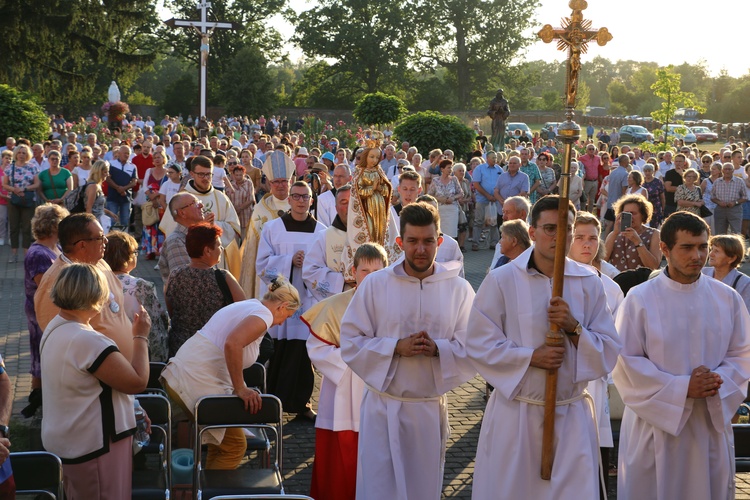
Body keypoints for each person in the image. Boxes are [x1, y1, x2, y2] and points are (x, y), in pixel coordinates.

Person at [467, 195, 620, 500]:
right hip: (518, 413)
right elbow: (478, 343)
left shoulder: (589, 282)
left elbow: (608, 351)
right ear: (532, 232)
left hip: (571, 412)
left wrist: (574, 328)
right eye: (550, 228)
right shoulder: (502, 280)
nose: (558, 236)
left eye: (566, 228)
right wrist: (530, 357)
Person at [340, 202, 477, 499]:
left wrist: (440, 349)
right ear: (400, 242)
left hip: (427, 410)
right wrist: (395, 348)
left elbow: (475, 346)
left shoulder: (459, 290)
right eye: (412, 241)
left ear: (439, 241)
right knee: (380, 490)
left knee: (421, 491)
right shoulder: (376, 285)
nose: (421, 250)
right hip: (383, 408)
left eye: (429, 241)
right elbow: (351, 340)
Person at [612, 211, 750, 500]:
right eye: (686, 248)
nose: (697, 256)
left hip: (708, 425)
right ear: (665, 249)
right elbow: (625, 362)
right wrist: (683, 388)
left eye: (703, 247)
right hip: (656, 429)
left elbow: (742, 354)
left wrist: (716, 382)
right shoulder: (640, 298)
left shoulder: (727, 298)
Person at [161, 276, 300, 470]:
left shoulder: (251, 305)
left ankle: (206, 490)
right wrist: (240, 388)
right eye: (287, 316)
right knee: (234, 446)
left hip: (185, 373)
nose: (281, 323)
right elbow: (233, 343)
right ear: (282, 306)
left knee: (222, 446)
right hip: (196, 379)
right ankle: (211, 494)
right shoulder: (264, 315)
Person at [41, 263, 152, 499]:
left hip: (69, 441)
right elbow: (137, 382)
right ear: (97, 296)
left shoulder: (56, 327)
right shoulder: (88, 340)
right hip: (95, 446)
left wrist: (134, 409)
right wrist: (140, 336)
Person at [303, 243, 388, 500]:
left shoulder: (396, 304)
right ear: (353, 271)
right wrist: (355, 360)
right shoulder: (335, 306)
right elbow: (316, 347)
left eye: (377, 271)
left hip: (380, 390)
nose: (371, 277)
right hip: (343, 390)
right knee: (341, 458)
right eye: (365, 271)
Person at [258, 181, 325, 419]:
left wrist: (307, 265)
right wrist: (288, 261)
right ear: (289, 200)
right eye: (296, 196)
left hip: (307, 301)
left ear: (312, 200)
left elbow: (325, 268)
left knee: (303, 352)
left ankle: (301, 404)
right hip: (279, 302)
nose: (300, 200)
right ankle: (272, 403)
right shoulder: (273, 228)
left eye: (305, 197)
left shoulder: (322, 232)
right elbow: (262, 265)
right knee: (277, 351)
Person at [567, 211, 624, 493]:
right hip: (561, 380)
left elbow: (616, 341)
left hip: (595, 384)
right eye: (579, 238)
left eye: (592, 238)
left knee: (595, 461)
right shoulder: (552, 281)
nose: (586, 245)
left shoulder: (611, 289)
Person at [165, 222, 245, 356]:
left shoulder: (174, 275)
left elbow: (171, 310)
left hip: (181, 349)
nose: (222, 249)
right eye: (219, 245)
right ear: (207, 250)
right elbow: (243, 311)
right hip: (213, 349)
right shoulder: (223, 277)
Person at [159, 155, 242, 278]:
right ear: (192, 174)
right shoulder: (181, 199)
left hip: (217, 262)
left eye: (209, 174)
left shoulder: (221, 198)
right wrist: (200, 225)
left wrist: (213, 225)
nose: (206, 178)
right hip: (187, 261)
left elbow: (234, 229)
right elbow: (171, 230)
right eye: (201, 174)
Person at [22, 203, 68, 417]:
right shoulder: (38, 253)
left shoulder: (52, 248)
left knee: (40, 352)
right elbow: (46, 287)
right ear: (54, 226)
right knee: (42, 352)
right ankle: (39, 398)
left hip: (45, 310)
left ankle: (38, 396)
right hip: (41, 311)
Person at [104, 231, 170, 362]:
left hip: (107, 349)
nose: (136, 256)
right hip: (136, 350)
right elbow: (157, 322)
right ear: (126, 257)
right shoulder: (140, 286)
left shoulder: (98, 282)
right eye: (134, 252)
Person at [238, 150, 295, 298]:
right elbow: (252, 248)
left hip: (295, 268)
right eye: (276, 181)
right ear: (269, 183)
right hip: (266, 272)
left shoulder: (300, 205)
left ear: (290, 182)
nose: (280, 185)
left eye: (284, 181)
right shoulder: (260, 209)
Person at [341, 146, 401, 282]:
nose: (374, 160)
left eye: (377, 157)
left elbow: (387, 190)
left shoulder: (379, 171)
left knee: (379, 231)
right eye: (371, 157)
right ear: (365, 157)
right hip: (366, 208)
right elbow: (358, 192)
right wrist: (372, 189)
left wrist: (381, 188)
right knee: (369, 229)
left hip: (379, 207)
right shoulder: (359, 172)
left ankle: (380, 253)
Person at [302, 185, 352, 303]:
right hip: (337, 306)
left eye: (353, 201)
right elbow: (310, 272)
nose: (349, 207)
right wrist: (342, 280)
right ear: (336, 208)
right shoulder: (323, 237)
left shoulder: (371, 234)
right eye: (344, 202)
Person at [604, 194, 662, 272]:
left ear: (643, 215)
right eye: (626, 213)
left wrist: (638, 242)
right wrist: (614, 233)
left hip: (642, 282)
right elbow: (602, 262)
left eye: (633, 213)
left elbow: (654, 266)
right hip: (618, 281)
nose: (630, 216)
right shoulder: (614, 235)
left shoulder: (654, 234)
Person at [3, 144, 40, 262]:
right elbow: (4, 184)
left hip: (28, 200)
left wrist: (24, 189)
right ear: (16, 154)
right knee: (13, 227)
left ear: (27, 154)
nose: (21, 155)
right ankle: (13, 254)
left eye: (24, 153)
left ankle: (26, 254)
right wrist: (14, 189)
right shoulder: (10, 167)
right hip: (13, 199)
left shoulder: (32, 167)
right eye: (19, 152)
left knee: (27, 227)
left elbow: (37, 184)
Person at [702, 234, 750, 312]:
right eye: (711, 249)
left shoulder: (744, 283)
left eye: (716, 251)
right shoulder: (702, 274)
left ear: (732, 258)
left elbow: (745, 316)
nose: (710, 254)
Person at [427, 159, 463, 238]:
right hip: (440, 209)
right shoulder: (435, 180)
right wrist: (441, 199)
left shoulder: (454, 179)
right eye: (448, 168)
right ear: (442, 169)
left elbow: (461, 193)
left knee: (452, 234)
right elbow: (429, 195)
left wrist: (453, 198)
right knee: (440, 233)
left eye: (451, 168)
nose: (450, 170)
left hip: (452, 210)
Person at [711, 162, 747, 235]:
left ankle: (736, 246)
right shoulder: (717, 182)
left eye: (729, 169)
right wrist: (719, 202)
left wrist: (735, 202)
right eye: (725, 169)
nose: (727, 171)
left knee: (736, 232)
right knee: (719, 233)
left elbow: (745, 197)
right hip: (720, 209)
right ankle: (720, 246)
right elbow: (712, 197)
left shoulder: (739, 181)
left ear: (733, 170)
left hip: (735, 209)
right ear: (722, 171)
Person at [227, 162, 255, 239]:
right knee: (234, 241)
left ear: (244, 174)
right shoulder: (230, 184)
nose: (238, 177)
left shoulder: (248, 183)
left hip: (245, 215)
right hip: (233, 215)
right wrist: (234, 209)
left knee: (245, 240)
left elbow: (251, 198)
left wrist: (239, 208)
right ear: (233, 175)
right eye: (236, 175)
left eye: (240, 175)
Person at [641, 163, 665, 228]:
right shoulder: (641, 182)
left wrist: (663, 209)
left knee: (655, 227)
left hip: (656, 207)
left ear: (653, 171)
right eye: (646, 171)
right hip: (644, 207)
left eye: (649, 171)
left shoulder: (657, 182)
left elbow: (662, 197)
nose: (647, 173)